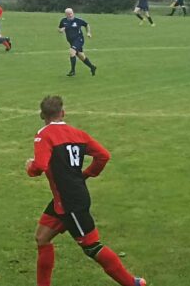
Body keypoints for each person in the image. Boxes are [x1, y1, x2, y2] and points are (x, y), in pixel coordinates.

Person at [26, 96, 147, 286]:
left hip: (70, 202)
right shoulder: (78, 133)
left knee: (92, 246)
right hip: (66, 198)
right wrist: (87, 174)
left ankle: (133, 283)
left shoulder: (44, 134)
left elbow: (39, 165)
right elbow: (103, 156)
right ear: (63, 113)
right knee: (42, 237)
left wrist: (30, 167)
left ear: (42, 115)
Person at [58, 8, 97, 77]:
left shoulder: (78, 20)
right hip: (71, 41)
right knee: (81, 56)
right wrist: (61, 30)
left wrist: (88, 33)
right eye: (68, 14)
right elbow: (60, 28)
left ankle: (73, 71)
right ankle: (92, 67)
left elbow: (86, 24)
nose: (70, 15)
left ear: (73, 13)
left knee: (72, 51)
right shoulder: (63, 21)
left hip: (79, 39)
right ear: (65, 14)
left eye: (71, 13)